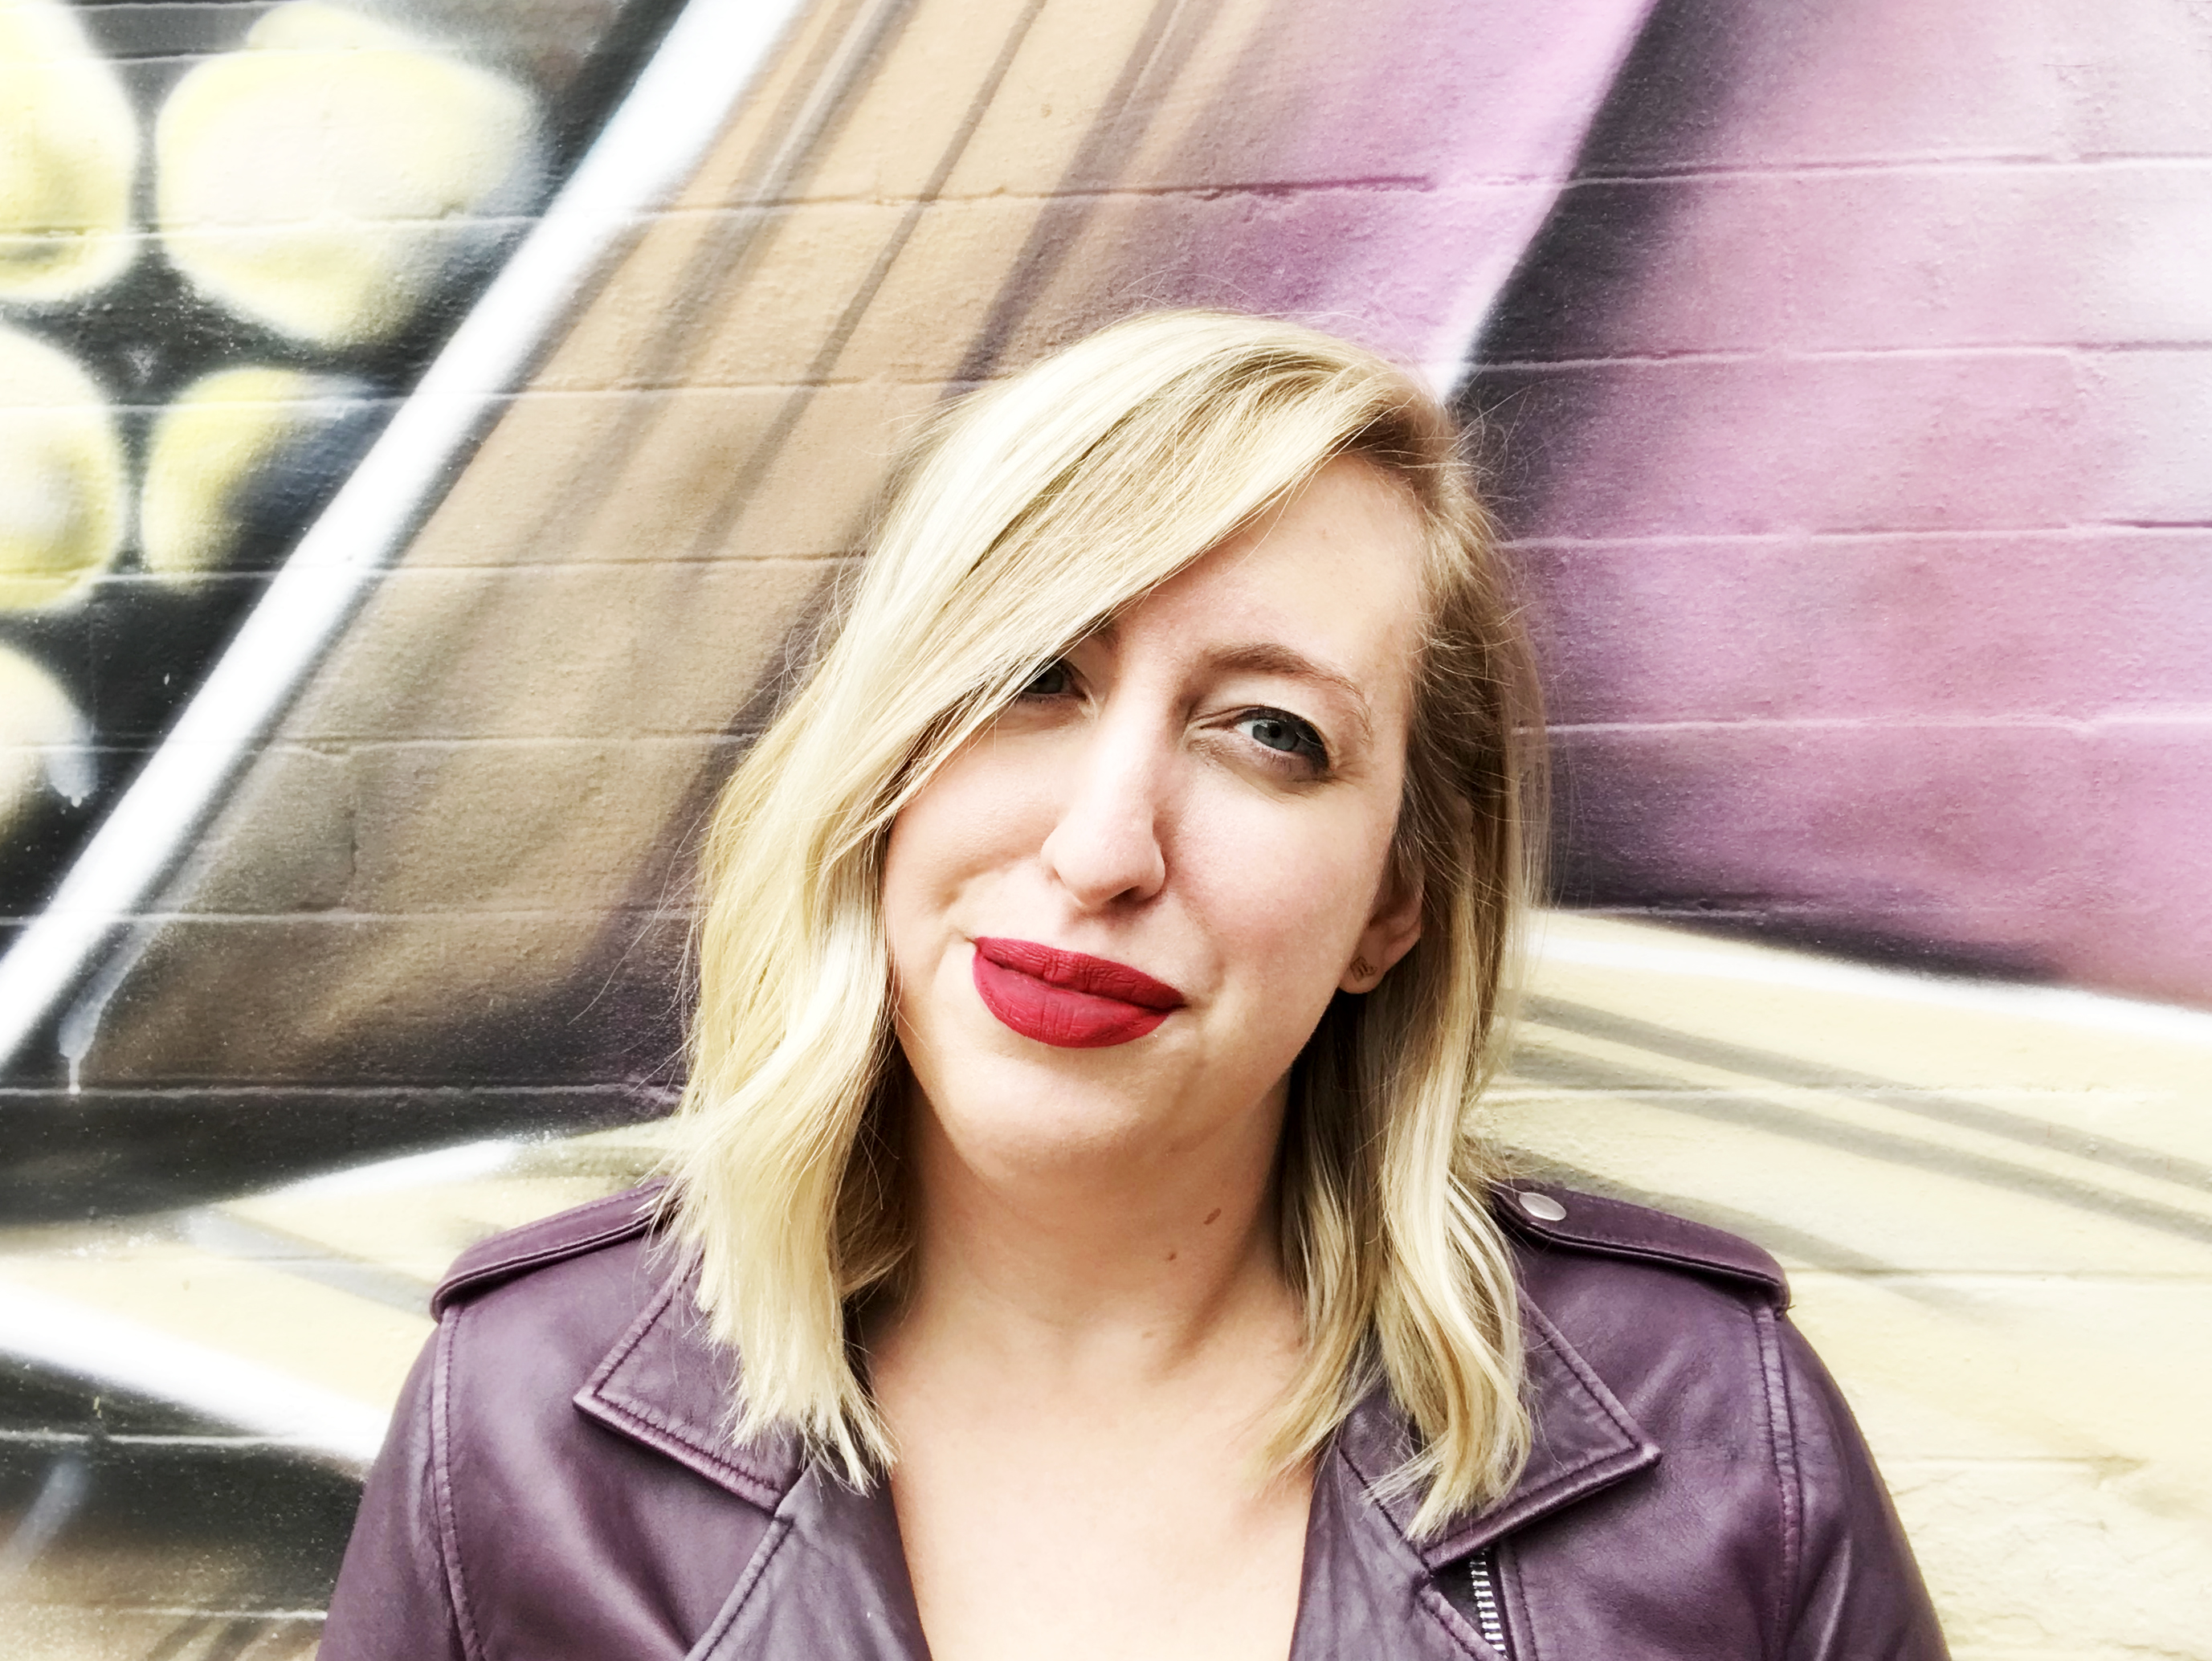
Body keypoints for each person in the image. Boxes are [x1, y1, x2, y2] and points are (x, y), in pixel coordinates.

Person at [321, 311, 1948, 1659]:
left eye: (1269, 733)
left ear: (1395, 901)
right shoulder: (525, 1420)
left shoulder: (1718, 1436)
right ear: (883, 761)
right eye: (1033, 677)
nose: (1104, 847)